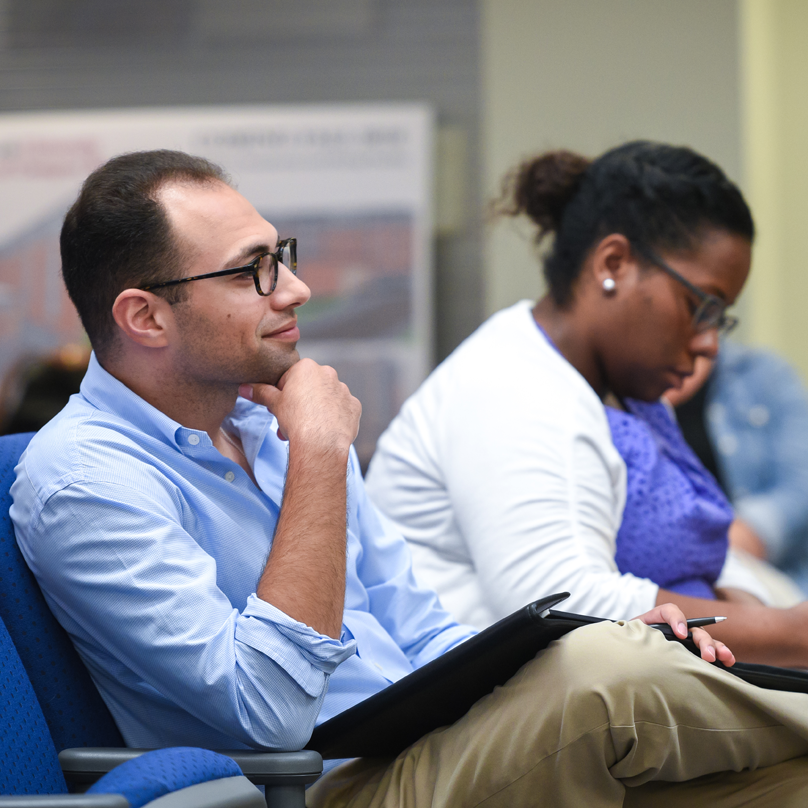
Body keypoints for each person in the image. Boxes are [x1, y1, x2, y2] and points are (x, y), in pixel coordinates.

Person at [10, 149, 808, 807]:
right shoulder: (82, 479)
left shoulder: (267, 423)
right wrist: (321, 456)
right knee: (612, 671)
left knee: (757, 764)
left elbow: (427, 633)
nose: (296, 289)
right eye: (251, 271)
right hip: (321, 787)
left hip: (429, 745)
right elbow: (268, 717)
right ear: (145, 317)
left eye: (280, 256)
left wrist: (544, 659)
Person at [365, 141, 808, 667]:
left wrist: (761, 619)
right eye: (700, 305)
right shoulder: (513, 385)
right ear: (613, 263)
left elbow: (702, 548)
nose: (710, 341)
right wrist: (783, 633)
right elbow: (561, 605)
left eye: (721, 317)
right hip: (472, 717)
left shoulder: (622, 394)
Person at [667, 344, 808, 596]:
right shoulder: (620, 395)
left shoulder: (764, 374)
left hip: (758, 565)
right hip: (672, 575)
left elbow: (799, 487)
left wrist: (733, 539)